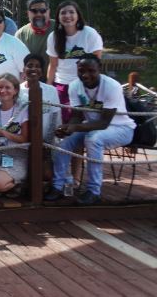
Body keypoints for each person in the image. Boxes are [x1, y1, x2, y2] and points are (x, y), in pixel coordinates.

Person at [45, 55, 135, 205]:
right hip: (90, 127)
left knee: (94, 139)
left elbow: (104, 123)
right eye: (81, 71)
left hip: (121, 128)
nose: (86, 75)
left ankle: (94, 191)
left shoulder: (111, 86)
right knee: (64, 141)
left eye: (91, 70)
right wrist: (67, 129)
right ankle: (58, 186)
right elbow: (76, 117)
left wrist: (75, 127)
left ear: (99, 68)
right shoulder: (75, 86)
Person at [46, 0, 103, 122]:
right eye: (63, 13)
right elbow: (53, 64)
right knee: (64, 118)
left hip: (85, 84)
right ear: (58, 17)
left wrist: (93, 86)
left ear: (78, 15)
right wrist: (48, 87)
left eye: (71, 12)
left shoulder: (90, 33)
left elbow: (96, 62)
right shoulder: (53, 37)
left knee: (87, 118)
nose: (67, 16)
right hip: (62, 84)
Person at [20, 54, 60, 144]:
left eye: (37, 66)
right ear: (24, 70)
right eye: (30, 66)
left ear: (42, 71)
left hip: (47, 141)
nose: (33, 69)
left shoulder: (51, 90)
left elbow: (55, 117)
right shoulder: (17, 91)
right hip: (22, 142)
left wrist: (48, 142)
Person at [15, 0, 55, 65]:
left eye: (43, 10)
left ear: (48, 12)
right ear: (28, 13)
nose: (38, 14)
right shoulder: (20, 34)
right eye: (34, 11)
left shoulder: (59, 28)